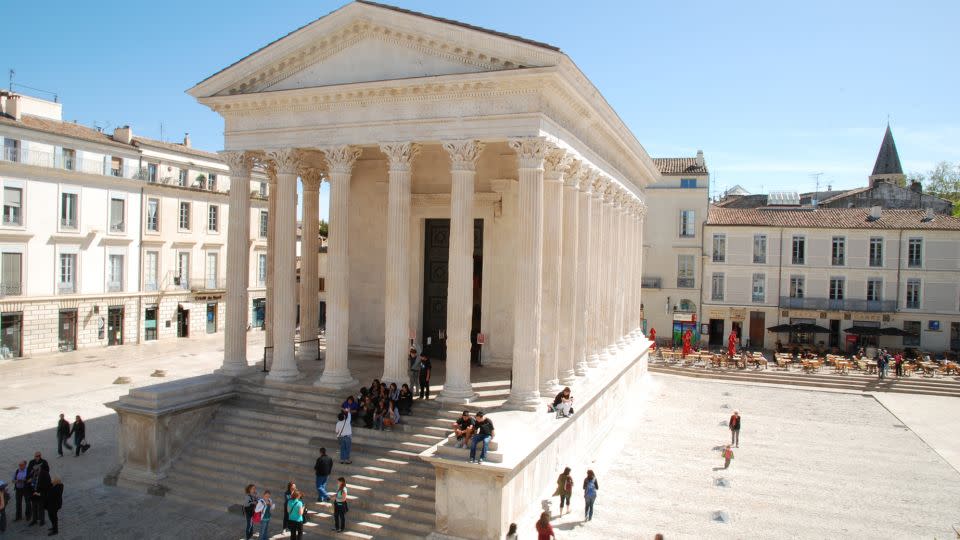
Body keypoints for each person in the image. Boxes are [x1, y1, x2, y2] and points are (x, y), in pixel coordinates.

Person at [28, 460, 50, 528]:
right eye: (34, 470)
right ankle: (34, 519)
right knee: (34, 507)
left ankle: (42, 520)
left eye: (36, 470)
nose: (35, 471)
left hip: (40, 493)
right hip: (33, 493)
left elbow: (48, 484)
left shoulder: (45, 474)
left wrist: (40, 492)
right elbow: (29, 481)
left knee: (41, 508)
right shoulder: (33, 473)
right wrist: (30, 482)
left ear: (39, 468)